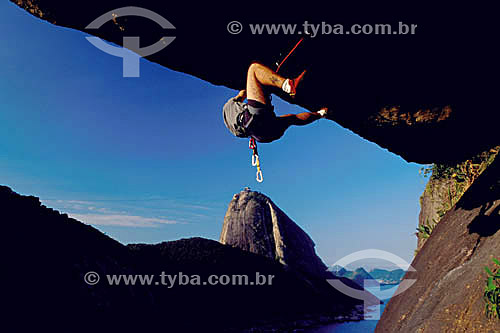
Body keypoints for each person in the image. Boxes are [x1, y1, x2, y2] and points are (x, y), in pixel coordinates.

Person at [223, 62, 331, 143]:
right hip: (254, 119)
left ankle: (321, 114)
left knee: (292, 119)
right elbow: (243, 93)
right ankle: (287, 85)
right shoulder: (230, 104)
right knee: (253, 69)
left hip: (262, 136)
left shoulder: (233, 127)